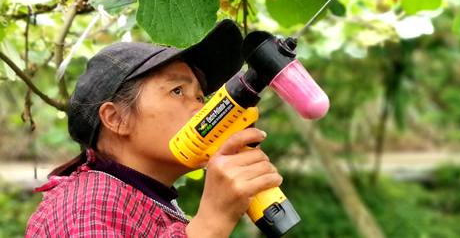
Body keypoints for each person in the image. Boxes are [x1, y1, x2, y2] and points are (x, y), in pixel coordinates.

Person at [26, 20, 283, 237]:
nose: (201, 110)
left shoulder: (143, 199)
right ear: (116, 119)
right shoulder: (87, 204)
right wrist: (211, 222)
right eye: (177, 91)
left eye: (200, 97)